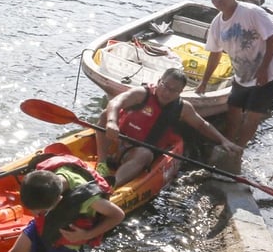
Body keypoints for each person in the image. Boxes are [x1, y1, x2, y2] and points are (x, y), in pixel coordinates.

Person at [96, 67, 242, 186]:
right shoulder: (141, 94)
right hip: (116, 139)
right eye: (165, 86)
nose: (167, 92)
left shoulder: (183, 108)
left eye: (173, 90)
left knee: (145, 154)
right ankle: (102, 163)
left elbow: (202, 125)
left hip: (138, 151)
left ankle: (112, 185)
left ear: (180, 92)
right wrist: (112, 122)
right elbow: (116, 102)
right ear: (159, 81)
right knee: (105, 114)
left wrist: (224, 141)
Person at [196, 0, 273, 170]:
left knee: (253, 115)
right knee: (233, 108)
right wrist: (204, 81)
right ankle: (228, 142)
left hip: (267, 72)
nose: (218, 0)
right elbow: (215, 53)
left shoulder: (251, 12)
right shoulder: (217, 23)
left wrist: (263, 69)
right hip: (242, 74)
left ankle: (239, 150)